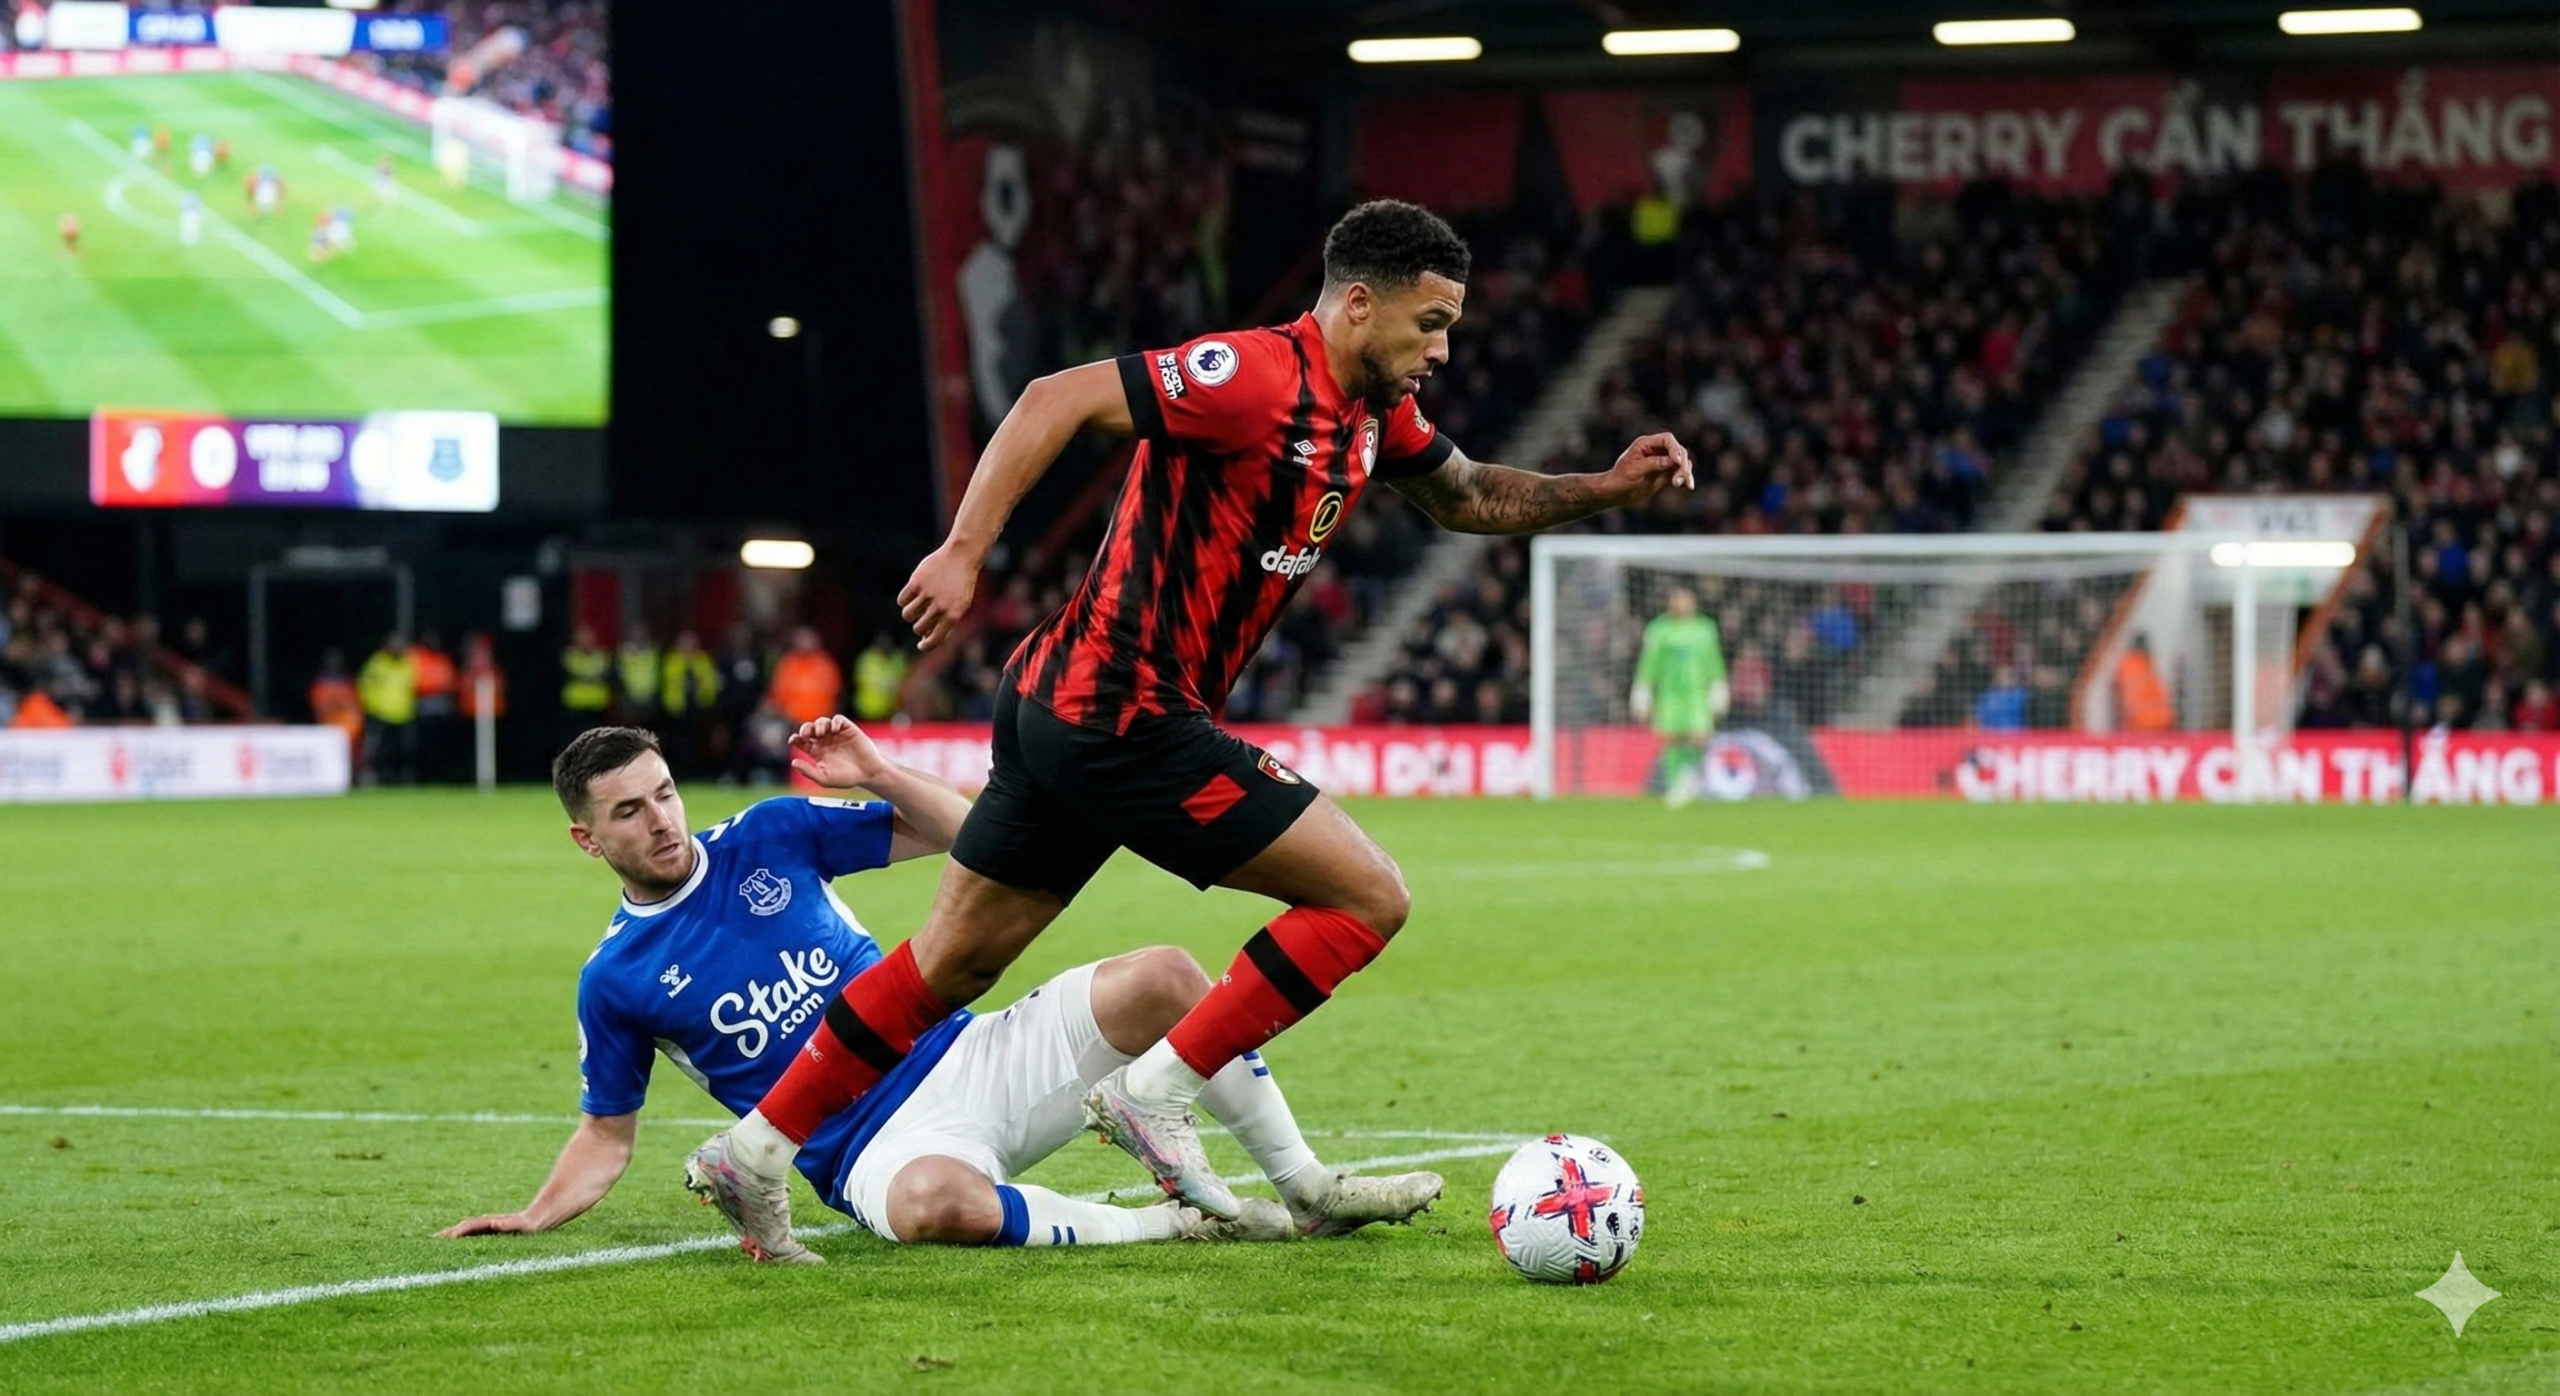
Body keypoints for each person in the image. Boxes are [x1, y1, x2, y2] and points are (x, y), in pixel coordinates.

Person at [687, 198, 1693, 1258]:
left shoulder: (1370, 411)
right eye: (1429, 322)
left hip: (1060, 709)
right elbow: (1052, 398)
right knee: (1365, 898)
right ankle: (1155, 1091)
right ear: (1358, 304)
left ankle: (752, 1153)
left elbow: (1465, 492)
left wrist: (1607, 487)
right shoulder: (1252, 378)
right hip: (1126, 713)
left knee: (947, 966)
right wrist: (964, 548)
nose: (1442, 349)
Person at [441, 725, 1436, 1262]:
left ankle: (1309, 1188)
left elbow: (969, 833)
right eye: (628, 810)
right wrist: (536, 1215)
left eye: (662, 792)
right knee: (931, 1208)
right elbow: (606, 1134)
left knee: (1168, 977)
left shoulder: (771, 835)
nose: (659, 820)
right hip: (876, 1153)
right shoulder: (613, 980)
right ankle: (1179, 1223)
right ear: (589, 839)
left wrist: (877, 769)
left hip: (972, 1056)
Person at [1629, 587, 1728, 809]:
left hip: (1697, 694)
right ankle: (1677, 785)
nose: (1681, 604)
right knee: (1672, 738)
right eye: (1676, 600)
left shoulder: (1705, 628)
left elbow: (1713, 659)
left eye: (1685, 599)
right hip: (1670, 694)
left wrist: (1718, 684)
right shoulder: (1659, 629)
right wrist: (1643, 687)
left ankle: (1692, 779)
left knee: (1699, 737)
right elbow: (1650, 661)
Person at [357, 633, 419, 785]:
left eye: (400, 645)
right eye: (394, 645)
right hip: (381, 714)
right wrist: (373, 705)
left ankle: (403, 779)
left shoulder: (408, 662)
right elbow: (364, 685)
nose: (398, 648)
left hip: (404, 715)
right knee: (380, 751)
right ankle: (380, 778)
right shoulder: (377, 662)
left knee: (405, 750)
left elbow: (415, 686)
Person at [767, 627, 840, 728]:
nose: (805, 644)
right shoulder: (788, 664)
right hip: (794, 722)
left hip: (820, 722)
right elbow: (778, 692)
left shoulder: (825, 664)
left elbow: (835, 690)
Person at [412, 631, 458, 783]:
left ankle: (441, 776)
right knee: (423, 746)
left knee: (442, 746)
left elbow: (451, 683)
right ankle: (423, 776)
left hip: (442, 709)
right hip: (424, 708)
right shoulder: (416, 657)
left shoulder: (443, 659)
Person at [560, 623, 613, 743]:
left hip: (597, 707)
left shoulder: (602, 656)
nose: (585, 640)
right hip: (576, 707)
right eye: (581, 637)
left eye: (588, 637)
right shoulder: (569, 656)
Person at [309, 650, 364, 758]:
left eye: (337, 661)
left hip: (350, 728)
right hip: (330, 727)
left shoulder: (347, 681)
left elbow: (355, 703)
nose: (334, 664)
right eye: (331, 661)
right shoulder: (321, 682)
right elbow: (320, 708)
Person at [2116, 634, 2174, 733]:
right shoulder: (2130, 665)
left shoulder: (2147, 664)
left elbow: (2160, 691)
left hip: (2155, 716)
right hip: (2140, 718)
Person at [853, 631, 908, 722]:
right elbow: (861, 679)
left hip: (890, 709)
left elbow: (904, 680)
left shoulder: (897, 659)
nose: (885, 647)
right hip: (867, 709)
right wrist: (885, 683)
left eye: (888, 644)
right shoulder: (868, 658)